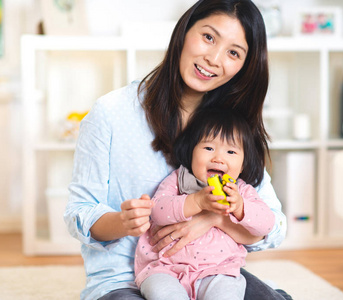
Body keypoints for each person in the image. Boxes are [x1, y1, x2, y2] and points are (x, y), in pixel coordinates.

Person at [64, 1, 290, 299]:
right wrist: (122, 222)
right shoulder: (112, 112)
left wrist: (213, 217)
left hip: (208, 270)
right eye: (208, 37)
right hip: (125, 280)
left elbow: (273, 224)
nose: (214, 58)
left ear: (244, 66)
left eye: (234, 52)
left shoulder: (230, 127)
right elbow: (79, 214)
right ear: (184, 31)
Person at [135, 108, 276, 300]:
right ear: (192, 151)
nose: (218, 158)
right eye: (208, 148)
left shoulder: (240, 191)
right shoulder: (179, 180)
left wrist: (241, 208)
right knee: (162, 293)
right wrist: (197, 201)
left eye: (231, 151)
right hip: (165, 268)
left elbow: (267, 224)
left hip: (219, 271)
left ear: (243, 164)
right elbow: (157, 211)